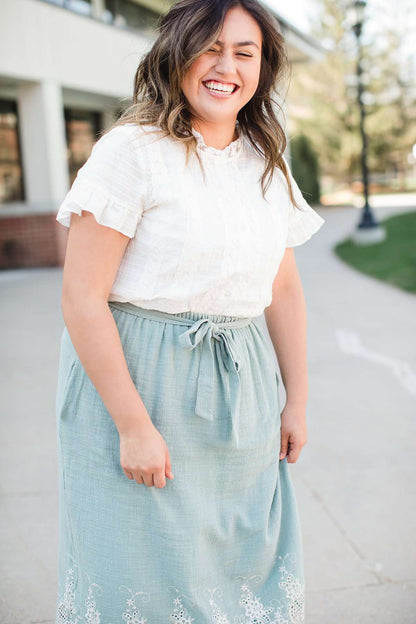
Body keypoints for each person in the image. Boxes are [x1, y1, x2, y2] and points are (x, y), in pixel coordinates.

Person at [54, 0, 325, 622]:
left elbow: (282, 288)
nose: (225, 66)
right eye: (210, 47)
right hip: (139, 383)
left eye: (244, 52)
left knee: (239, 566)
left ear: (263, 67)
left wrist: (297, 400)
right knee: (139, 568)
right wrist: (133, 425)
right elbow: (81, 297)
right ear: (177, 53)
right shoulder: (131, 152)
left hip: (243, 388)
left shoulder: (266, 163)